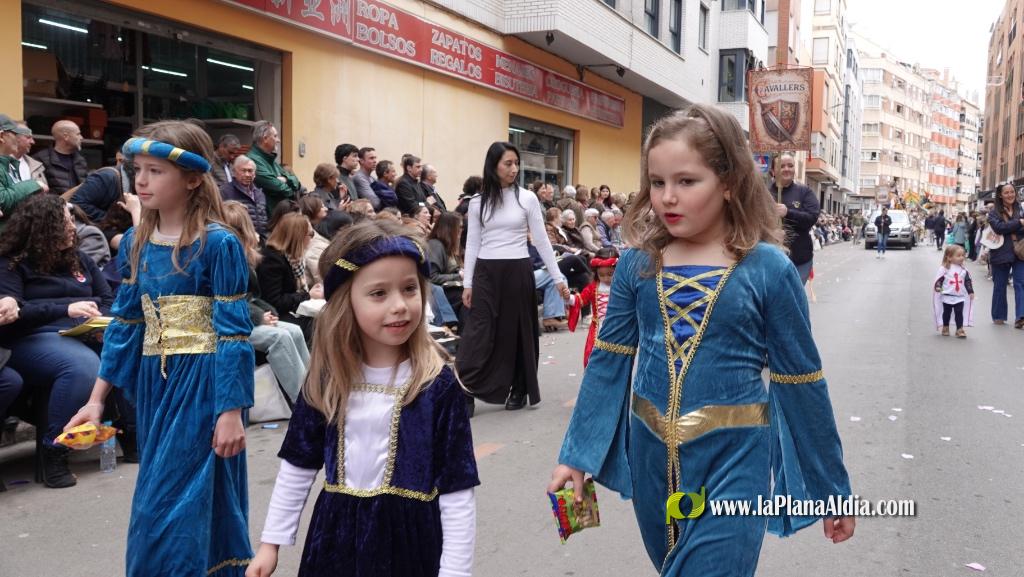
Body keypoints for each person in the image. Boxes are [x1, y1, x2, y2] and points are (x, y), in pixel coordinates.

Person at [548, 105, 854, 577]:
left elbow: (802, 383)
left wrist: (830, 486)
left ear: (728, 182)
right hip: (651, 459)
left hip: (737, 460)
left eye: (687, 181)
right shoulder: (637, 265)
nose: (667, 197)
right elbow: (608, 362)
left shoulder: (769, 270)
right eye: (657, 182)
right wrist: (576, 454)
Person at [64, 122, 255, 576]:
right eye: (137, 170)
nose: (141, 181)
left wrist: (231, 410)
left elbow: (233, 334)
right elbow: (126, 324)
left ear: (192, 179)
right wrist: (96, 400)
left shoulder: (218, 243)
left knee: (168, 506)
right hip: (155, 386)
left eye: (155, 171)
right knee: (169, 498)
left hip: (203, 386)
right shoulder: (135, 242)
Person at [246, 220, 478, 577]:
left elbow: (457, 490)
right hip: (335, 545)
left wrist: (455, 572)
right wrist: (270, 544)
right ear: (346, 302)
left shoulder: (436, 385)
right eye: (379, 293)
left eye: (409, 289)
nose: (399, 305)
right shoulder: (327, 381)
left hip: (411, 549)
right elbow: (297, 467)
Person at [0, 195, 115, 487]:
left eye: (72, 220)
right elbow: (16, 312)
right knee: (83, 366)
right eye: (64, 222)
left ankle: (135, 436)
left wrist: (100, 320)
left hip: (83, 332)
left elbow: (106, 298)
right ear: (42, 227)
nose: (72, 227)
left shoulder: (80, 258)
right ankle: (55, 449)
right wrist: (66, 309)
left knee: (127, 351)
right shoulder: (13, 263)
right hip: (31, 338)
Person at [457, 142, 567, 414]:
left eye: (516, 163)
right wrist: (468, 282)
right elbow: (472, 243)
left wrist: (558, 278)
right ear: (493, 165)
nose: (514, 169)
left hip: (518, 269)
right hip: (485, 272)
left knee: (516, 332)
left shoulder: (527, 199)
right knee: (477, 332)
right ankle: (465, 388)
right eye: (508, 163)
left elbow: (541, 240)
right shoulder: (476, 202)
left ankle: (519, 388)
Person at [222, 200, 309, 403]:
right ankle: (303, 402)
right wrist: (259, 316)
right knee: (280, 338)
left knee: (295, 331)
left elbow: (250, 296)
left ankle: (312, 389)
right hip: (228, 323)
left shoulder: (243, 256)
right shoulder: (228, 256)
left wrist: (263, 314)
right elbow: (226, 300)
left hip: (244, 316)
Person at [258, 213, 324, 341]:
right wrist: (308, 295)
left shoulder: (294, 257)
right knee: (318, 324)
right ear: (298, 237)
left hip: (291, 309)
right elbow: (274, 301)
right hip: (274, 314)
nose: (312, 238)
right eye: (310, 234)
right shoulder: (272, 260)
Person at [770, 152, 819, 284]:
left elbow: (812, 217)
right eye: (782, 166)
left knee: (794, 293)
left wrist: (788, 212)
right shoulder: (763, 193)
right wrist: (769, 232)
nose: (787, 169)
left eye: (790, 166)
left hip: (799, 260)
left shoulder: (805, 192)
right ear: (773, 171)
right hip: (770, 259)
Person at [569, 247, 618, 367]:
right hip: (597, 329)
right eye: (601, 275)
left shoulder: (622, 287)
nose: (606, 278)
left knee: (616, 361)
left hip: (618, 329)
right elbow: (580, 300)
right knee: (593, 359)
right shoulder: (593, 287)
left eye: (610, 274)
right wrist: (568, 297)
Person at [986, 183, 1024, 327]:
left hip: (1020, 251)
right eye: (1006, 192)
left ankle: (1021, 316)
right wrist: (1019, 222)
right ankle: (999, 315)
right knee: (1000, 286)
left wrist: (1011, 226)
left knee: (1021, 283)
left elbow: (1005, 228)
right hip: (1000, 253)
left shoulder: (1021, 208)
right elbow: (999, 228)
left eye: (1012, 192)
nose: (1010, 195)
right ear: (1000, 195)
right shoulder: (994, 212)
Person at [0, 115, 44, 230]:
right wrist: (34, 184)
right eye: (15, 134)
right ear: (1, 136)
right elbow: (2, 201)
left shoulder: (9, 164)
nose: (18, 139)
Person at [250, 120, 302, 215]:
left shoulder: (270, 160)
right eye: (275, 136)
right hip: (268, 217)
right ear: (265, 138)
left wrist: (285, 179)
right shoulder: (253, 160)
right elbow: (279, 188)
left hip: (277, 214)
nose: (278, 140)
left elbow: (296, 182)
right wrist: (291, 188)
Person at [220, 155, 270, 241]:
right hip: (239, 240)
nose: (247, 174)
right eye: (243, 171)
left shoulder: (259, 193)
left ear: (254, 174)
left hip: (261, 241)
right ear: (235, 172)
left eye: (250, 171)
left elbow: (264, 219)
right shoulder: (225, 191)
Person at [33, 119, 87, 196]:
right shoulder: (40, 160)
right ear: (65, 136)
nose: (81, 137)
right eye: (78, 134)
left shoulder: (80, 160)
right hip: (54, 203)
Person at [933, 244, 974, 338]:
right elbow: (940, 280)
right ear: (949, 257)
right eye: (958, 255)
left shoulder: (964, 270)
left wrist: (970, 291)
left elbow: (967, 281)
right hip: (947, 295)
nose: (962, 257)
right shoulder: (944, 269)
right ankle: (945, 327)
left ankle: (959, 329)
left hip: (959, 296)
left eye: (963, 255)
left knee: (959, 313)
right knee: (946, 313)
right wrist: (938, 286)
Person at [304, 209, 353, 287]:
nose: (350, 233)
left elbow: (347, 266)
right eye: (347, 229)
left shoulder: (335, 244)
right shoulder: (318, 249)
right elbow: (324, 280)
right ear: (334, 230)